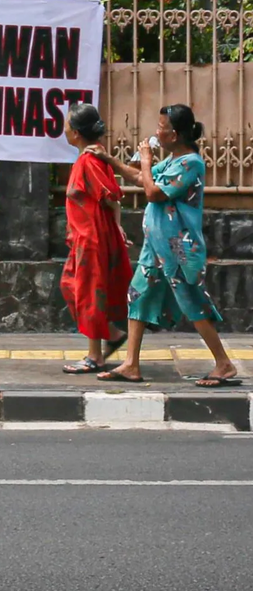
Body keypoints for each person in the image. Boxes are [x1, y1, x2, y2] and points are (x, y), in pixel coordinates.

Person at [88, 104, 240, 387]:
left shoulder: (190, 163)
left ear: (176, 134)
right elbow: (136, 177)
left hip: (179, 250)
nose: (157, 132)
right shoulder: (170, 161)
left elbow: (153, 193)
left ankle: (224, 364)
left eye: (162, 128)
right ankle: (131, 364)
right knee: (138, 296)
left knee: (193, 303)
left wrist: (146, 161)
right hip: (156, 248)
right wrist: (108, 158)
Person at [61, 103, 133, 374]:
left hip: (90, 237)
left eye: (68, 124)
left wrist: (116, 227)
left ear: (77, 132)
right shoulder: (89, 159)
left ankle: (95, 355)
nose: (64, 128)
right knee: (71, 286)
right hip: (83, 238)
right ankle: (111, 334)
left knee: (89, 292)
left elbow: (111, 195)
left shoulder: (89, 161)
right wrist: (116, 226)